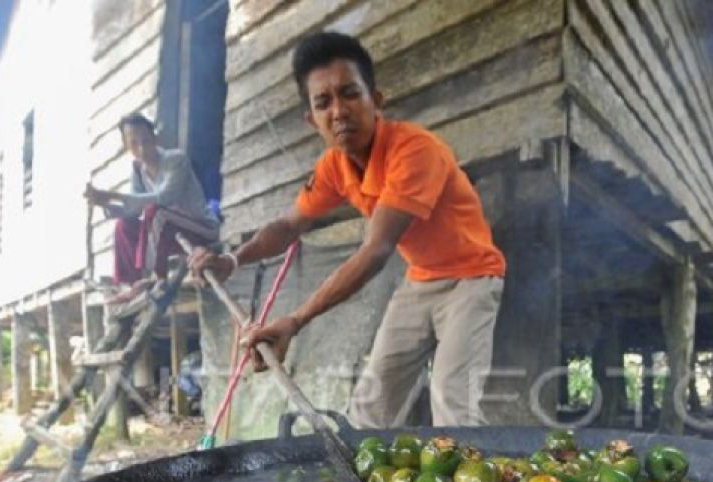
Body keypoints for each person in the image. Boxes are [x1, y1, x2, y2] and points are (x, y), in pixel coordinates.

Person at [189, 31, 505, 427]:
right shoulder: (333, 166)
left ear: (376, 100)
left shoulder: (415, 151)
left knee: (453, 408)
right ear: (312, 119)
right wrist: (232, 260)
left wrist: (295, 320)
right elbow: (288, 226)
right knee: (371, 408)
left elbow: (376, 251)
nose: (338, 111)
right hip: (421, 280)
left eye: (350, 94)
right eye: (323, 102)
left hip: (471, 279)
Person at [85, 113, 219, 303]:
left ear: (155, 138)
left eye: (146, 141)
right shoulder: (139, 172)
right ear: (126, 146)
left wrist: (113, 195)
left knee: (155, 211)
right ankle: (133, 283)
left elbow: (164, 198)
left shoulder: (175, 159)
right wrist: (104, 203)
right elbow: (133, 211)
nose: (142, 148)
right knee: (124, 225)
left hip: (201, 230)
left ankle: (155, 277)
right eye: (134, 143)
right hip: (171, 233)